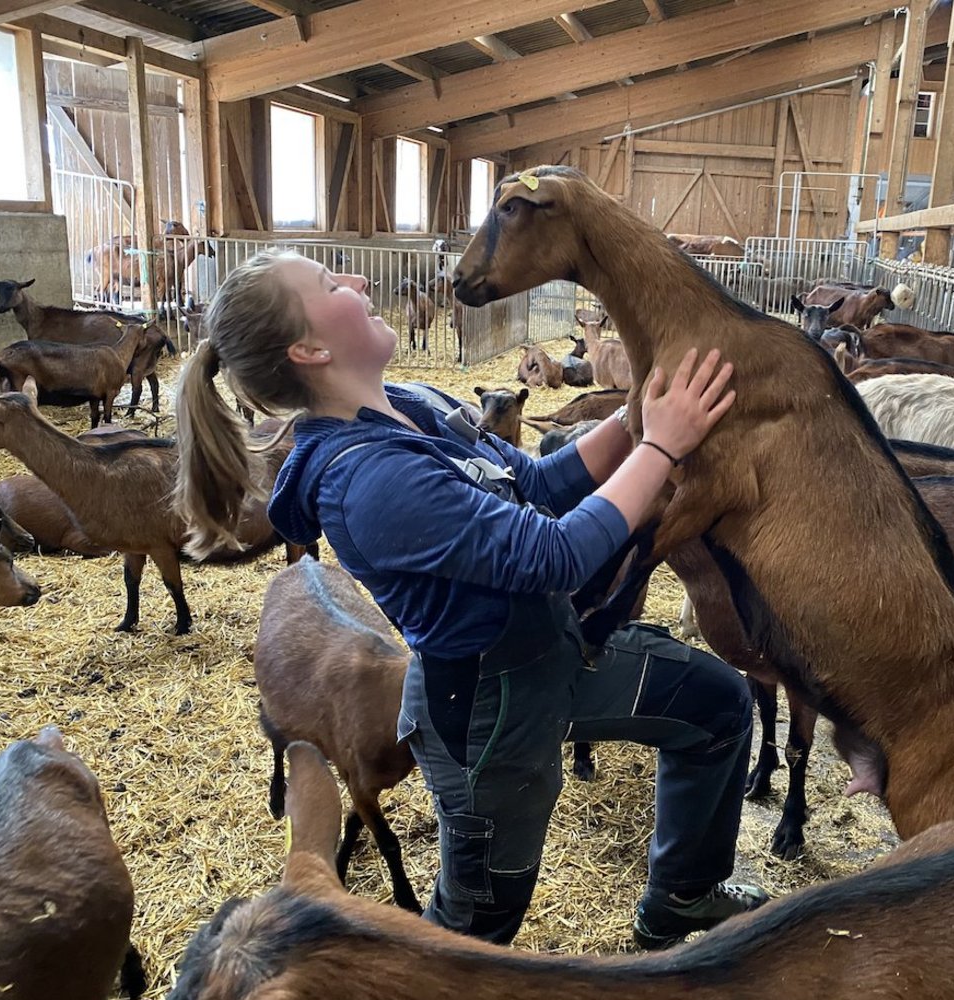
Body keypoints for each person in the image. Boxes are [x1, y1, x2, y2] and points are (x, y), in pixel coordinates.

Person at [175, 250, 767, 949]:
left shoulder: (415, 405)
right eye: (333, 284)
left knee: (718, 707)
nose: (361, 283)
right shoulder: (367, 481)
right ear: (309, 349)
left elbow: (540, 487)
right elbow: (556, 554)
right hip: (489, 714)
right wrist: (662, 447)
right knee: (479, 926)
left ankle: (683, 897)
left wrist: (637, 414)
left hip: (557, 653)